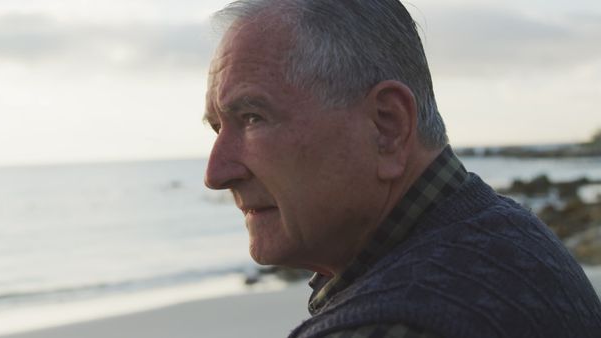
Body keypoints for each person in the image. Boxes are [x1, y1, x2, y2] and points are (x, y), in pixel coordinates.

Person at [202, 1, 601, 337]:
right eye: (218, 128)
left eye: (253, 117)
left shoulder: (389, 325)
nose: (217, 173)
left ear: (387, 126)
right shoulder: (508, 235)